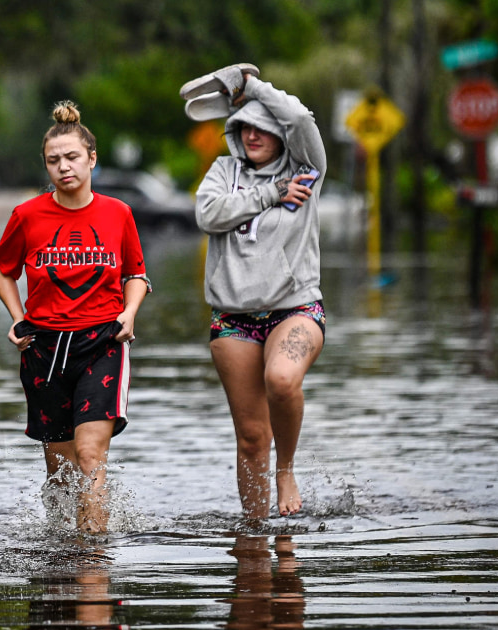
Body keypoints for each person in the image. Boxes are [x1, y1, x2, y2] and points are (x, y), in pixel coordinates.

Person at [0, 101, 150, 534]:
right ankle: (62, 548)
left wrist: (130, 312)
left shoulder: (118, 213)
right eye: (53, 160)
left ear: (92, 158)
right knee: (59, 468)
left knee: (90, 454)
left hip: (103, 343)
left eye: (72, 157)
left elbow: (135, 273)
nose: (64, 167)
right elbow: (3, 270)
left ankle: (91, 559)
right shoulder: (28, 215)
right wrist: (18, 317)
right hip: (45, 348)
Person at [190, 65, 327, 520]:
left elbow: (302, 120)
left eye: (263, 127)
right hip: (233, 318)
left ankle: (285, 469)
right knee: (251, 437)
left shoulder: (306, 169)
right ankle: (254, 536)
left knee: (282, 380)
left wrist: (252, 88)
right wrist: (272, 194)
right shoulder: (224, 170)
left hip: (294, 307)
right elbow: (208, 215)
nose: (252, 135)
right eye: (244, 126)